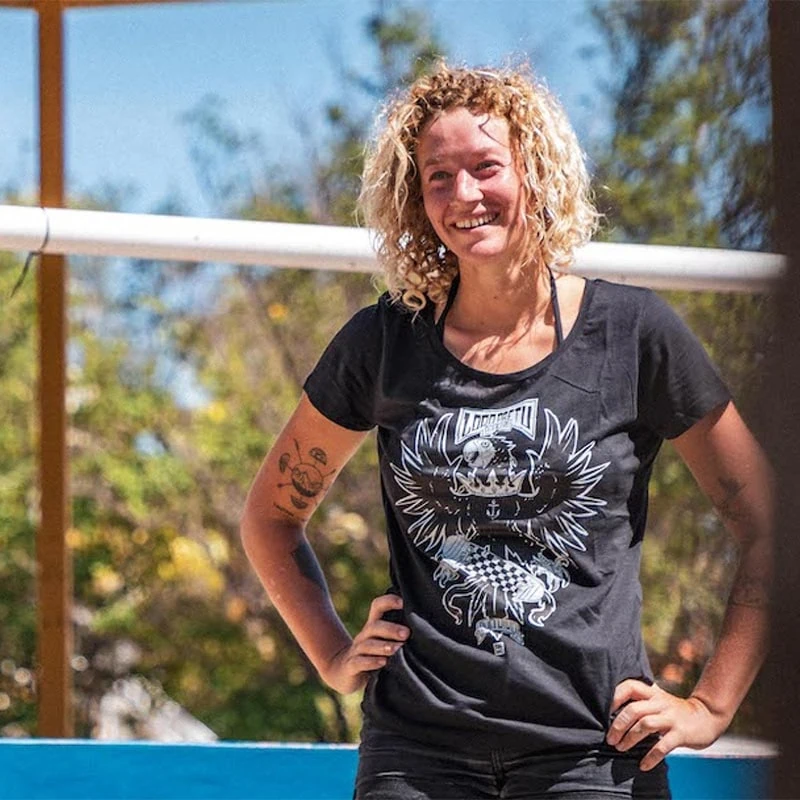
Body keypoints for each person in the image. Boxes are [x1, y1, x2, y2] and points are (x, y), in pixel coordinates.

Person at [240, 61, 772, 799]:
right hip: (416, 756)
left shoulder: (634, 333)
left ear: (536, 172)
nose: (464, 195)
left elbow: (769, 524)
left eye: (486, 167)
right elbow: (271, 515)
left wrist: (711, 706)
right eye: (437, 176)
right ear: (412, 196)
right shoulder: (382, 343)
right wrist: (334, 656)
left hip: (594, 754)